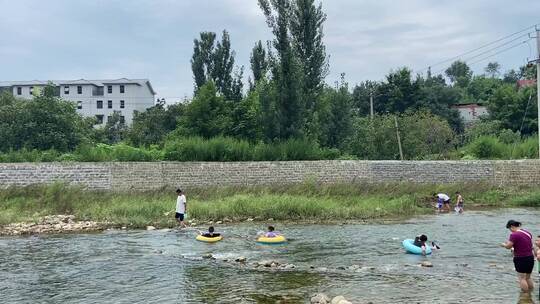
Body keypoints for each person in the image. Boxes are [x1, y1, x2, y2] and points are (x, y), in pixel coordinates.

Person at [500, 220, 534, 292]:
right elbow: (525, 244)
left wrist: (504, 245)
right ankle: (531, 293)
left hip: (521, 258)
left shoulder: (514, 234)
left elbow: (508, 246)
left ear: (512, 226)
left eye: (509, 229)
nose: (510, 231)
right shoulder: (527, 233)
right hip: (530, 257)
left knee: (522, 278)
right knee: (528, 278)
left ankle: (525, 295)